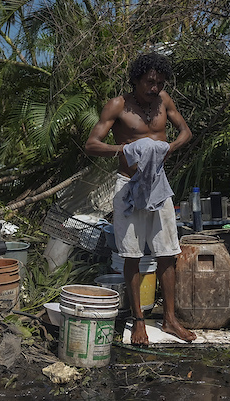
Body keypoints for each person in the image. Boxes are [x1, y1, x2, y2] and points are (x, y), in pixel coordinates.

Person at [85, 52, 196, 346]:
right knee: (132, 254)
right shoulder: (118, 105)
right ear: (135, 80)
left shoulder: (164, 101)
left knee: (167, 251)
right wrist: (125, 150)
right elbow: (91, 144)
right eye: (149, 82)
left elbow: (186, 131)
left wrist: (168, 148)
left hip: (158, 184)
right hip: (128, 185)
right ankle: (139, 321)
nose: (154, 88)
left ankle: (171, 320)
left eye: (159, 83)